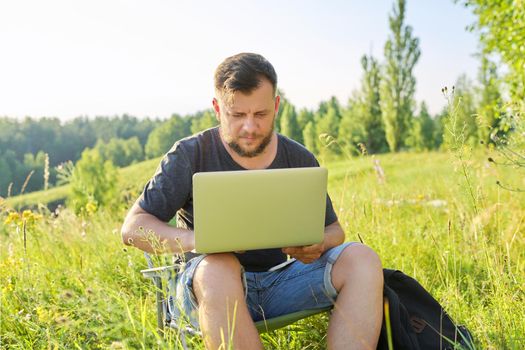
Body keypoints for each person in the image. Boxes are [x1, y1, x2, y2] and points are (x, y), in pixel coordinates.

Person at [121, 52, 383, 349]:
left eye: (260, 114)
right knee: (218, 266)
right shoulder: (189, 153)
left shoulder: (297, 157)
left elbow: (335, 230)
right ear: (217, 109)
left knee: (362, 258)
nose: (250, 127)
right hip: (206, 289)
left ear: (276, 106)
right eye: (237, 115)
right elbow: (132, 228)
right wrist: (202, 241)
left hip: (280, 282)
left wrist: (319, 243)